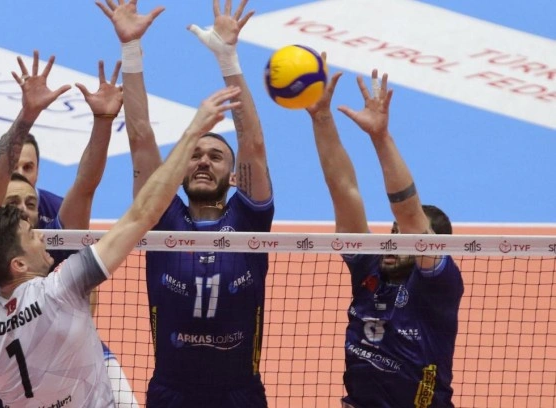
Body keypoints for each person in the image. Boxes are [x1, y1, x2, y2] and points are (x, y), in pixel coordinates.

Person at [0, 84, 243, 408]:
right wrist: (192, 131)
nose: (40, 235)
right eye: (30, 236)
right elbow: (143, 212)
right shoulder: (63, 287)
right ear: (18, 263)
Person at [97, 0, 273, 406]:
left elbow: (253, 144)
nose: (203, 161)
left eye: (215, 156)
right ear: (178, 171)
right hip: (172, 394)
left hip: (239, 395)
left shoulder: (248, 220)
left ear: (234, 177)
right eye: (194, 155)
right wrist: (131, 49)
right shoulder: (161, 217)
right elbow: (140, 137)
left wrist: (228, 58)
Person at [0, 52, 124, 407]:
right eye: (11, 201)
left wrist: (103, 121)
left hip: (32, 373)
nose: (22, 208)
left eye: (29, 201)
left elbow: (85, 187)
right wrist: (28, 114)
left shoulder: (48, 226)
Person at [305, 57, 464, 407]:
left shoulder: (438, 287)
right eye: (393, 232)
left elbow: (408, 214)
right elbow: (343, 189)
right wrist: (321, 118)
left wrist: (380, 138)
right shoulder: (369, 267)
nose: (393, 240)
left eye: (405, 236)